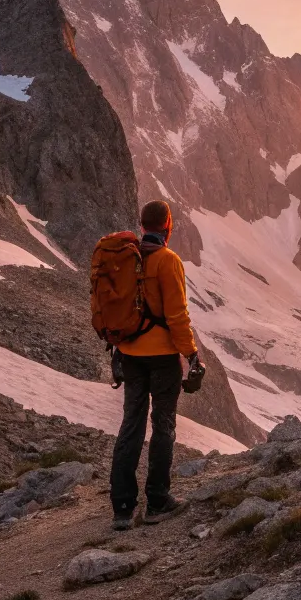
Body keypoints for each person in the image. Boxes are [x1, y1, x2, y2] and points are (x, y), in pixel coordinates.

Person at [109, 199, 203, 529]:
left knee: (131, 424)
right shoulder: (168, 261)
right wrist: (191, 355)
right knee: (163, 425)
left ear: (142, 225)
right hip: (162, 359)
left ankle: (122, 507)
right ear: (168, 226)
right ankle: (157, 502)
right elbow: (177, 317)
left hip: (130, 355)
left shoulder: (126, 260)